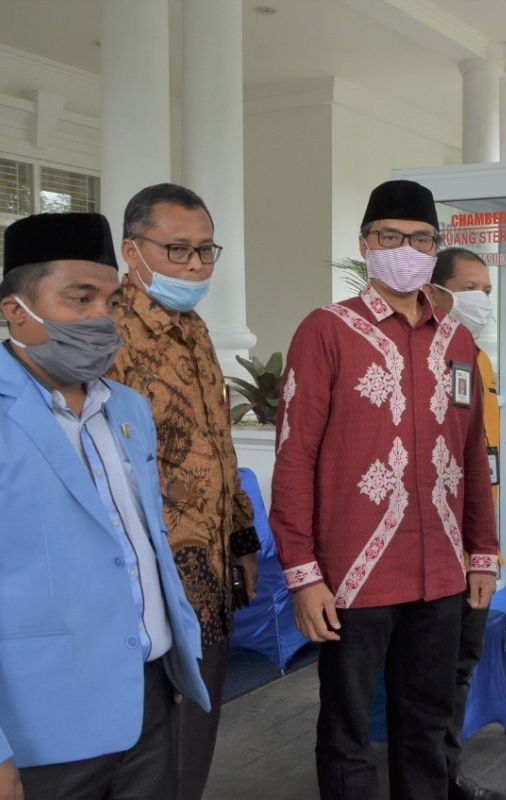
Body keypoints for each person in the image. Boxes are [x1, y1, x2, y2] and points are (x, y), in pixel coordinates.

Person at [272, 180, 500, 800]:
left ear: (436, 247)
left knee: (426, 725)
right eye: (390, 237)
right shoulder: (326, 330)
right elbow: (295, 457)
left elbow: (472, 451)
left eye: (421, 239)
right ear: (365, 244)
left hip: (443, 569)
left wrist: (482, 551)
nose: (406, 249)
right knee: (347, 728)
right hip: (354, 569)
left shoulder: (456, 341)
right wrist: (302, 572)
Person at [0, 212, 208, 800]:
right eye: (78, 298)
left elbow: (144, 545)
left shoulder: (126, 409)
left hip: (145, 703)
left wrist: (171, 655)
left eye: (111, 300)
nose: (100, 317)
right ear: (16, 309)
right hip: (40, 727)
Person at [106, 183, 260, 800]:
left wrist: (242, 538)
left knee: (194, 741)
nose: (196, 266)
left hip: (209, 571)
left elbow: (218, 443)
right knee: (150, 753)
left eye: (205, 250)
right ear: (131, 250)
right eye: (177, 251)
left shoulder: (193, 328)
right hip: (149, 579)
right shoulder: (107, 334)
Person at [426, 247, 506, 800]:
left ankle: (445, 774)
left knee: (460, 669)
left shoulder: (478, 359)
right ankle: (427, 776)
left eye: (487, 288)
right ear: (436, 291)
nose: (482, 298)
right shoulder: (426, 359)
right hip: (435, 551)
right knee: (428, 679)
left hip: (478, 552)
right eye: (470, 287)